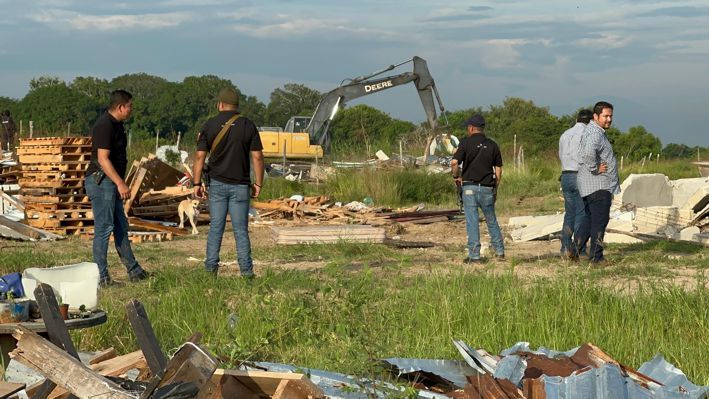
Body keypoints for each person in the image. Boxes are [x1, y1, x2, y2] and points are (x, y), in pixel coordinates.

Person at [191, 87, 264, 277]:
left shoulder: (209, 125)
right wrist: (258, 184)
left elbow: (200, 157)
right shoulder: (248, 125)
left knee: (216, 227)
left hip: (217, 184)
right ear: (236, 106)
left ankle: (210, 271)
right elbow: (257, 157)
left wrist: (196, 183)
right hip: (241, 186)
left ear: (220, 105)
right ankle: (247, 272)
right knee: (241, 230)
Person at [85, 90, 150, 286]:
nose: (131, 110)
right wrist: (121, 183)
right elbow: (103, 159)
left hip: (109, 182)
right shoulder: (104, 126)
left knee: (120, 226)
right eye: (130, 106)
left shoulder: (117, 125)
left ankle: (134, 270)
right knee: (104, 229)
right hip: (101, 181)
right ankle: (101, 277)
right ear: (121, 107)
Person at [451, 114, 505, 263]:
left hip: (469, 188)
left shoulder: (465, 143)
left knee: (472, 221)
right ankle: (500, 251)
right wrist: (495, 187)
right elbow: (498, 169)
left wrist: (456, 177)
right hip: (487, 187)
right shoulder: (493, 145)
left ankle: (474, 256)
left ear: (471, 128)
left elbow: (454, 163)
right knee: (491, 220)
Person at [572, 101, 620, 264]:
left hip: (591, 185)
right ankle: (597, 257)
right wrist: (595, 168)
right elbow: (587, 153)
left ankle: (576, 249)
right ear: (595, 116)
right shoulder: (595, 133)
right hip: (598, 185)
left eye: (610, 116)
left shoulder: (593, 130)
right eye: (605, 116)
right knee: (600, 221)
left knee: (589, 219)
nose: (609, 119)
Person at [558, 109, 593, 257]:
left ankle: (566, 247)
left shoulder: (565, 134)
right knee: (582, 213)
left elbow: (560, 155)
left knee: (569, 213)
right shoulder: (588, 134)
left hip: (566, 175)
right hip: (580, 175)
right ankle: (580, 249)